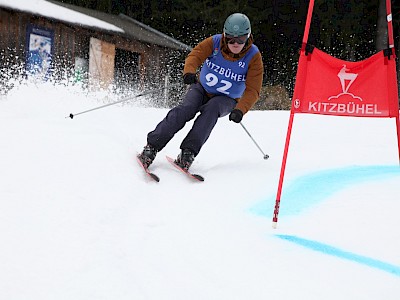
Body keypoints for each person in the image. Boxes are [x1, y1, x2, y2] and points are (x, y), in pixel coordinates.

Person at [138, 13, 264, 171]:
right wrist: (189, 71)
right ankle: (152, 147)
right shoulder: (215, 42)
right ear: (225, 35)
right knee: (185, 110)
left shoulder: (253, 56)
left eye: (241, 39)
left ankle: (188, 153)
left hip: (227, 99)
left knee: (211, 110)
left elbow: (253, 89)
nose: (236, 43)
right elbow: (195, 55)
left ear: (248, 37)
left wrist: (240, 110)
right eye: (231, 38)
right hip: (202, 88)